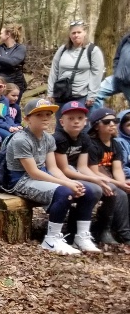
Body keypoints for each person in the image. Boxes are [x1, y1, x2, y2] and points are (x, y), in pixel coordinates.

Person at [0, 98, 101, 254]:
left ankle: (81, 236)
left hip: (40, 176)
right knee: (64, 192)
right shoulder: (21, 139)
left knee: (89, 190)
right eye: (39, 115)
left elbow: (53, 168)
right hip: (20, 180)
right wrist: (66, 185)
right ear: (27, 119)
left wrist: (70, 181)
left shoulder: (48, 138)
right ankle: (51, 239)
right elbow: (33, 172)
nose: (45, 118)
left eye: (48, 114)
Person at [52, 101, 127, 246]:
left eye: (80, 118)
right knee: (92, 189)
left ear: (85, 121)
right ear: (62, 122)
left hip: (76, 173)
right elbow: (64, 169)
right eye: (71, 118)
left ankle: (103, 229)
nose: (76, 122)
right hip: (59, 174)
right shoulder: (58, 138)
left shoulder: (84, 138)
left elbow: (83, 167)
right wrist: (97, 180)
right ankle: (73, 231)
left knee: (109, 188)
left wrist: (99, 179)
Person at [86, 107, 130, 245]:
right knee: (118, 193)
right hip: (91, 176)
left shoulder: (115, 143)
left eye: (114, 121)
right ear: (96, 126)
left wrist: (123, 184)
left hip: (108, 176)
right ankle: (123, 233)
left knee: (125, 189)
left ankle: (119, 227)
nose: (112, 124)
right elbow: (94, 170)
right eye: (106, 122)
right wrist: (120, 185)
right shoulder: (91, 144)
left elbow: (117, 169)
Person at [47, 21, 105, 107]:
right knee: (61, 120)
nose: (76, 35)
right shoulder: (63, 49)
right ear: (70, 35)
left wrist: (92, 95)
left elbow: (97, 74)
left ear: (84, 33)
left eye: (79, 32)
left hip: (81, 96)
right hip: (61, 94)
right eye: (73, 33)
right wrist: (50, 92)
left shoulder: (93, 50)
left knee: (79, 120)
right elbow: (54, 71)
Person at [0, 23, 27, 97]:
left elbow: (13, 62)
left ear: (8, 34)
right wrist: (8, 65)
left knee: (13, 107)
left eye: (1, 33)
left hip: (16, 83)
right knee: (0, 107)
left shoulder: (20, 48)